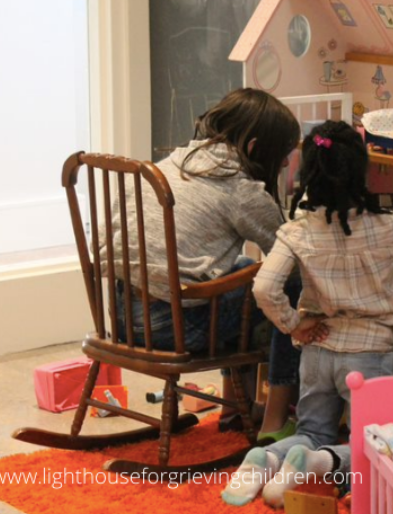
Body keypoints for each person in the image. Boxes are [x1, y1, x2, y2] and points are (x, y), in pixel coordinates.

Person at [221, 120, 393, 507]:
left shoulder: (297, 231)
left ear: (309, 173)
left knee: (312, 429)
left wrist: (295, 326)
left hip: (317, 348)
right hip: (370, 354)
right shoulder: (387, 225)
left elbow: (264, 287)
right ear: (359, 171)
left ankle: (267, 459)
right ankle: (319, 463)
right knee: (377, 447)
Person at [102, 88, 309, 436]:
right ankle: (275, 417)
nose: (287, 163)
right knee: (290, 283)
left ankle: (233, 407)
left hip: (123, 317)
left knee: (243, 268)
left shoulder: (171, 163)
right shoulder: (241, 190)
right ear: (256, 148)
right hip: (171, 329)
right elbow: (290, 254)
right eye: (283, 155)